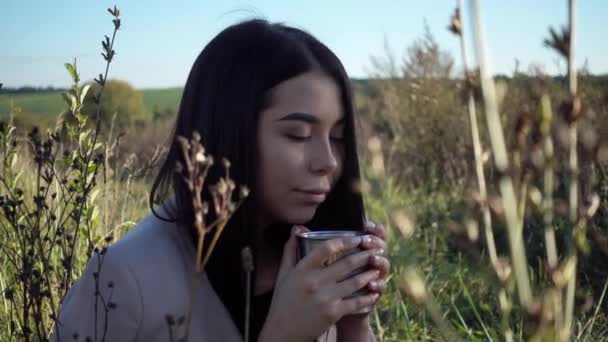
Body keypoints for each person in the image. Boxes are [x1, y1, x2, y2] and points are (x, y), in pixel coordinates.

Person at [54, 19, 390, 342]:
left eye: (339, 137)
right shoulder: (125, 278)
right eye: (298, 135)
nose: (328, 162)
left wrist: (354, 323)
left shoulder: (314, 256)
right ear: (227, 132)